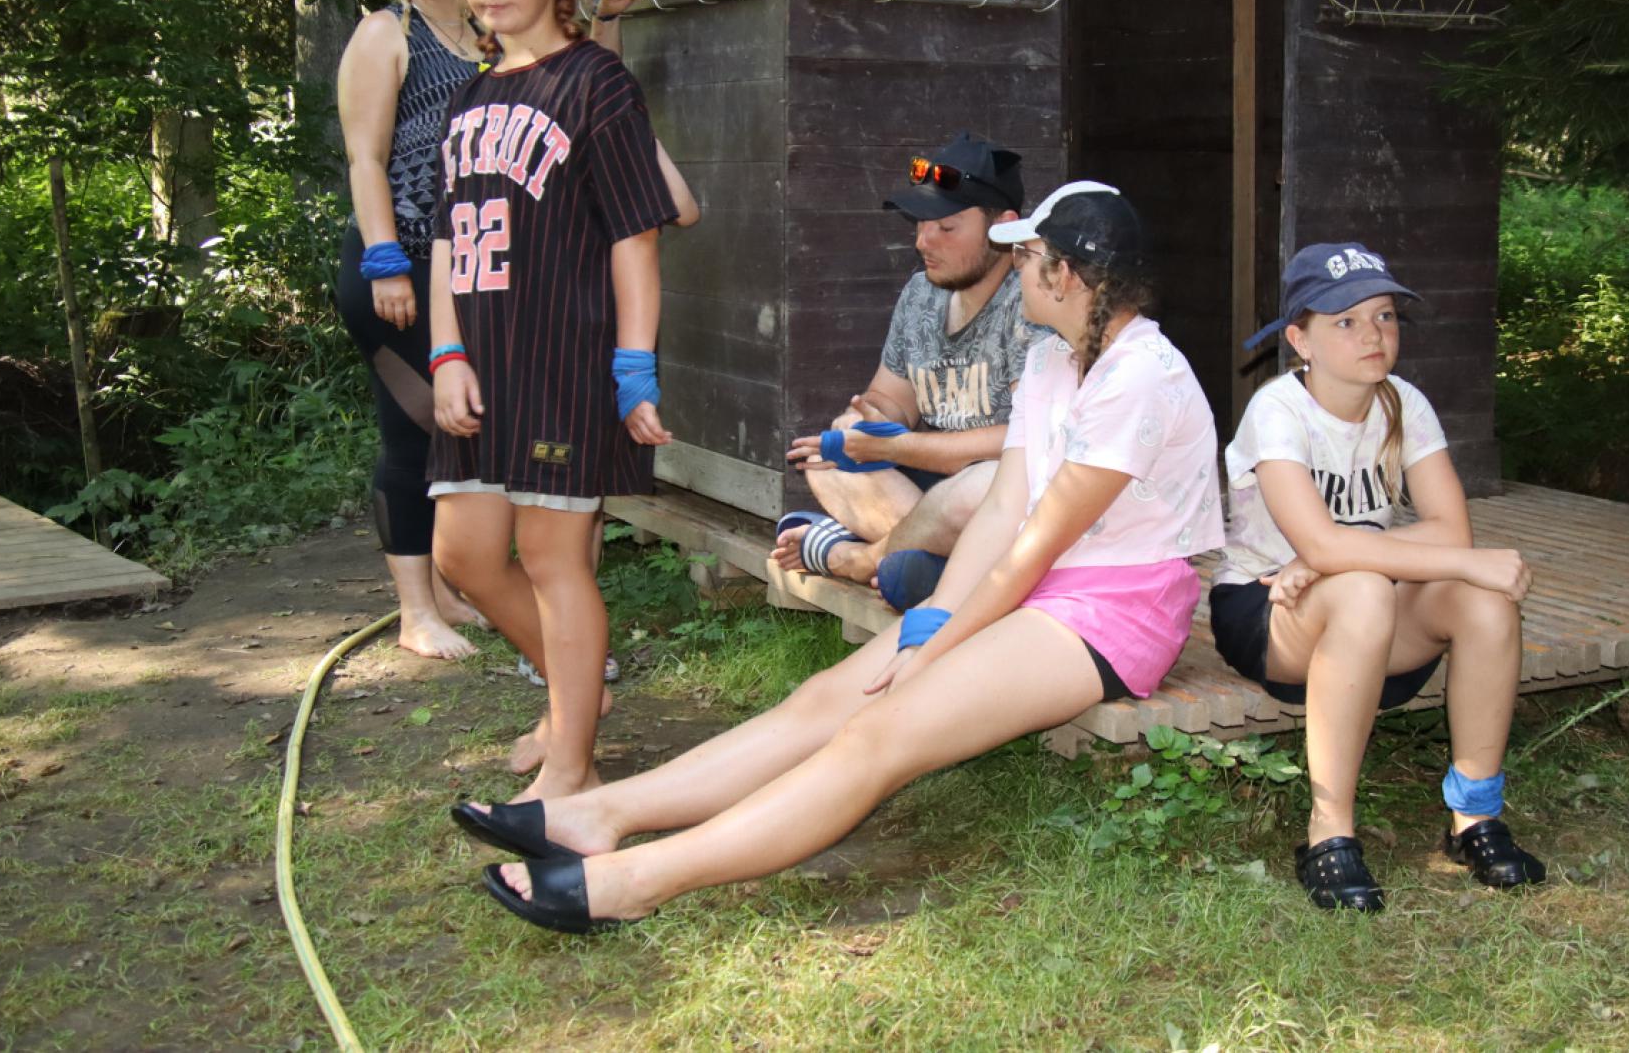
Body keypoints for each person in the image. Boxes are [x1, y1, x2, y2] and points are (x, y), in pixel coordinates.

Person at [457, 182, 1224, 934]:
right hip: (1037, 585)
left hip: (1112, 611)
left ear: (1067, 275)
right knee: (826, 699)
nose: (1015, 269)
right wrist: (930, 624)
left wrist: (935, 649)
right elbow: (1002, 511)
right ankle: (598, 815)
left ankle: (634, 883)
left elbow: (1035, 545)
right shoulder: (1053, 360)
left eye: (1026, 257)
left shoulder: (1140, 376)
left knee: (877, 733)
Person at [426, 0, 680, 802]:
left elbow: (636, 232)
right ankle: (580, 701)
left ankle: (572, 763)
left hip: (563, 356)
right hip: (479, 361)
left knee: (550, 558)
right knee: (462, 554)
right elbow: (446, 243)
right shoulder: (467, 96)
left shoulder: (596, 82)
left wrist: (634, 365)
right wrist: (445, 354)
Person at [1210, 243, 1546, 913]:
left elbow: (1448, 531)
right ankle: (1329, 831)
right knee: (1370, 585)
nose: (1373, 334)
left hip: (1372, 614)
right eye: (1346, 321)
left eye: (1385, 316)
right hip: (1268, 610)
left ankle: (1474, 817)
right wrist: (1330, 553)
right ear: (1299, 340)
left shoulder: (1404, 404)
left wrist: (1335, 553)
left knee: (1483, 600)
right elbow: (1335, 545)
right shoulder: (1278, 410)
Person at [769, 134, 1040, 607]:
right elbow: (890, 400)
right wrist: (862, 424)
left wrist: (897, 446)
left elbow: (1026, 439)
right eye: (920, 224)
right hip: (929, 493)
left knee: (964, 505)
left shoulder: (1031, 299)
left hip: (1000, 493)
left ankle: (861, 556)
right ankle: (936, 561)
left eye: (946, 228)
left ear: (1003, 227)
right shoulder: (921, 293)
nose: (922, 241)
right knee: (826, 458)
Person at [334, 0, 491, 661]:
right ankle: (415, 612)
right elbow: (365, 157)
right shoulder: (385, 34)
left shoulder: (488, 36)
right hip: (396, 268)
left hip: (466, 269)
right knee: (413, 430)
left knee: (457, 431)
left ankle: (450, 590)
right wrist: (385, 258)